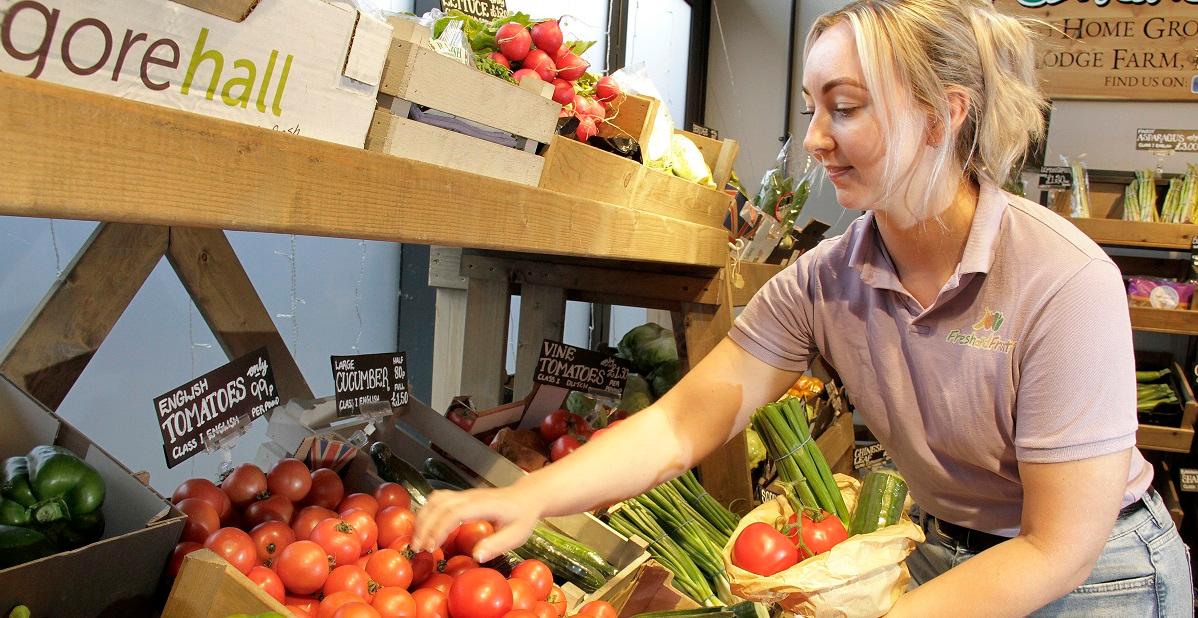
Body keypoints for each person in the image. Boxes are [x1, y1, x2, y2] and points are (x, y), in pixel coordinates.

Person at [413, 0, 1193, 614]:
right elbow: (686, 422)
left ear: (941, 115)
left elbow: (1060, 548)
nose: (815, 138)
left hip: (1100, 581)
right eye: (811, 106)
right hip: (946, 551)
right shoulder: (829, 280)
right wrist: (529, 497)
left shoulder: (1059, 280)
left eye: (845, 106)